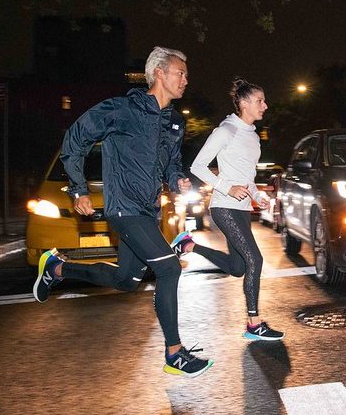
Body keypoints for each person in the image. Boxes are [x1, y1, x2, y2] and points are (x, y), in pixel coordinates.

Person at [32, 46, 214, 378]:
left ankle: (57, 268)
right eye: (180, 73)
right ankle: (174, 353)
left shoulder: (174, 122)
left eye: (186, 75)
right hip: (123, 207)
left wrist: (177, 179)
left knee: (126, 280)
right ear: (159, 73)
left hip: (148, 209)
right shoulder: (122, 110)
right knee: (169, 269)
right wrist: (78, 188)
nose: (186, 80)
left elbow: (171, 164)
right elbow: (75, 137)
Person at [173, 76, 284, 341]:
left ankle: (188, 245)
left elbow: (247, 176)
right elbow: (198, 166)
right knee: (255, 259)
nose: (265, 105)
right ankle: (254, 324)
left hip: (242, 208)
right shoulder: (225, 131)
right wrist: (227, 188)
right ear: (244, 104)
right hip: (224, 206)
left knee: (237, 267)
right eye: (259, 101)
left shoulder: (253, 136)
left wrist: (256, 195)